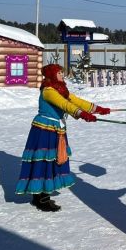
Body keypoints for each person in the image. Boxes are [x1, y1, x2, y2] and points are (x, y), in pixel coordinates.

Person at [15, 63, 109, 212]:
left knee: (54, 160)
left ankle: (41, 194)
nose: (62, 75)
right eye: (59, 73)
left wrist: (98, 109)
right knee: (45, 161)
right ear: (52, 75)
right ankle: (41, 198)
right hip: (45, 129)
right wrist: (82, 114)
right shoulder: (48, 91)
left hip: (56, 129)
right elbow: (65, 104)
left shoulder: (61, 89)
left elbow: (76, 101)